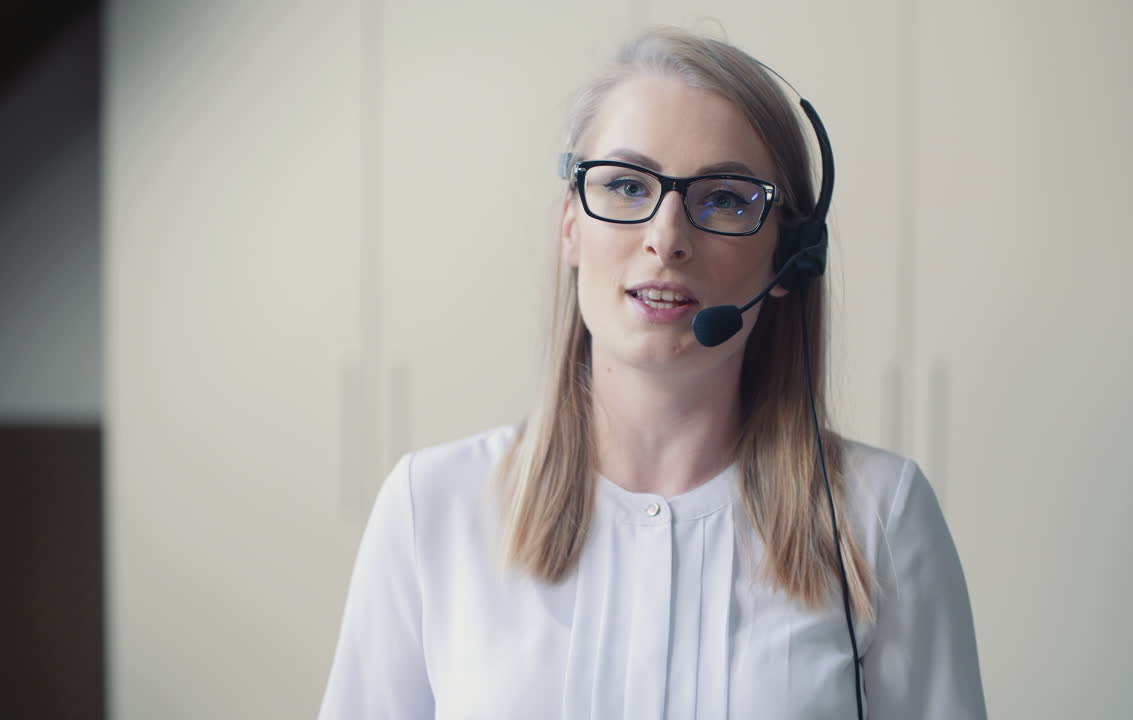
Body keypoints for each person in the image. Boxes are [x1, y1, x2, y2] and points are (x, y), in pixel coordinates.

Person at [319, 27, 985, 719]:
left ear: (789, 257)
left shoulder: (881, 517)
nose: (666, 238)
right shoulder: (431, 510)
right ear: (571, 225)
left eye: (724, 198)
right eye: (628, 185)